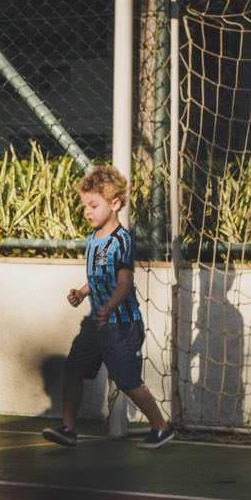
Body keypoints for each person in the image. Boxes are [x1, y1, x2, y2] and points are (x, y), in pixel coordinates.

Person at [42, 165, 174, 450]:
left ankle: (161, 428)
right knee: (74, 369)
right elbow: (99, 277)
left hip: (120, 324)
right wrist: (82, 292)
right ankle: (67, 429)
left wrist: (110, 308)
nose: (88, 211)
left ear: (115, 204)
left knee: (127, 381)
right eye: (85, 206)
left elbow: (124, 282)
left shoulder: (122, 241)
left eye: (94, 205)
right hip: (95, 323)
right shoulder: (92, 239)